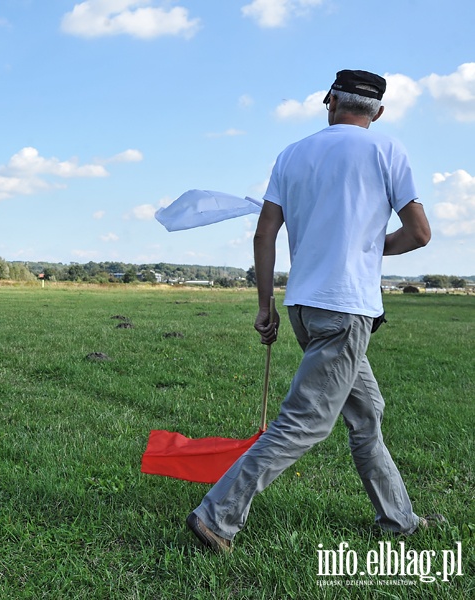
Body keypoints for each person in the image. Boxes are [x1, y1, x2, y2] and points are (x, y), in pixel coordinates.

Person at [186, 69, 440, 553]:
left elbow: (265, 233)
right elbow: (420, 233)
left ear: (329, 102)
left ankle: (399, 520)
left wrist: (265, 305)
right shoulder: (387, 150)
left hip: (304, 306)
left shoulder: (293, 153)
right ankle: (216, 517)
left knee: (367, 414)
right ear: (378, 113)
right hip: (345, 311)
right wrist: (368, 247)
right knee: (304, 422)